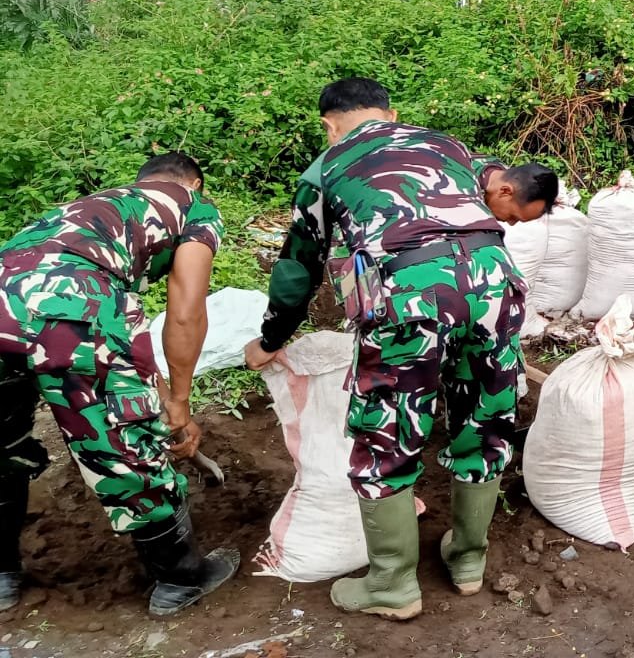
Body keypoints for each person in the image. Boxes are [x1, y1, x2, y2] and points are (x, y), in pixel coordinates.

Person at [243, 78, 526, 620]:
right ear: (391, 114)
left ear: (328, 124)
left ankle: (393, 584)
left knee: (386, 436)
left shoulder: (324, 169)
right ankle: (468, 562)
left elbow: (297, 270)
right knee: (484, 422)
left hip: (408, 295)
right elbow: (497, 190)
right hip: (495, 284)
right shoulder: (448, 146)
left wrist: (270, 339)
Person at [0, 153, 238, 616]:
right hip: (71, 307)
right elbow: (186, 311)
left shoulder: (84, 210)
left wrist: (163, 394)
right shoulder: (193, 206)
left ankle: (1, 577)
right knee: (122, 444)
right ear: (195, 183)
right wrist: (179, 404)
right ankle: (180, 579)